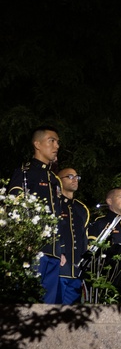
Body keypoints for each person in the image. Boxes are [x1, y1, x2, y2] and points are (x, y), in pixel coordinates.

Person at [6, 126, 64, 303]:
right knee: (27, 302)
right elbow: (13, 207)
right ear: (37, 144)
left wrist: (60, 249)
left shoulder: (54, 179)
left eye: (58, 142)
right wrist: (23, 242)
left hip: (53, 251)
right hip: (33, 249)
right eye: (51, 141)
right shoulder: (26, 173)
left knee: (48, 307)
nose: (56, 146)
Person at [57, 168, 90, 303]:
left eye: (77, 176)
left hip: (77, 271)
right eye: (70, 176)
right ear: (59, 180)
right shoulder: (54, 204)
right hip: (59, 269)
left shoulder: (82, 209)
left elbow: (84, 238)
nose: (75, 179)